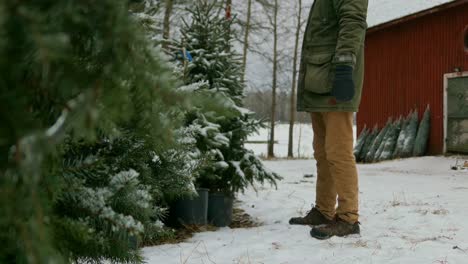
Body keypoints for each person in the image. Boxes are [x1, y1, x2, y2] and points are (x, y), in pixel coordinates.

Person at [289, 0, 368, 240]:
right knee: (322, 152)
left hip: (335, 77)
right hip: (319, 78)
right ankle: (324, 210)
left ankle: (348, 218)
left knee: (338, 151)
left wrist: (344, 66)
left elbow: (353, 21)